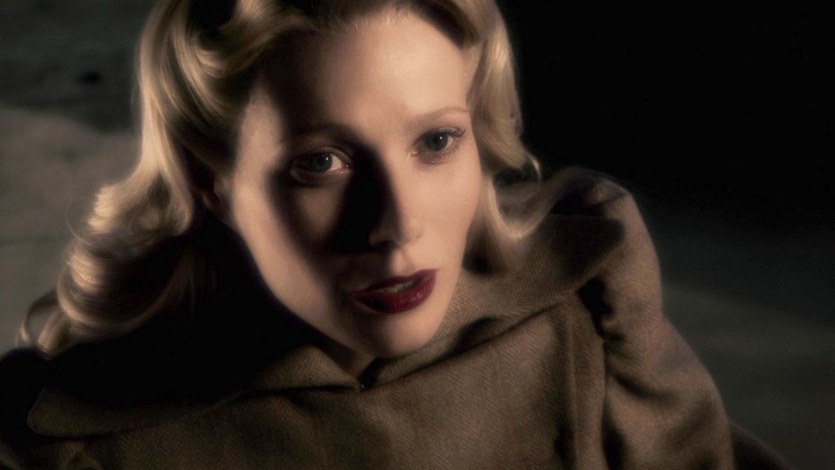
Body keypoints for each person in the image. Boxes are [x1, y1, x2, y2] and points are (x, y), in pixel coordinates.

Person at [0, 0, 791, 468]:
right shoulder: (77, 443)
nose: (397, 224)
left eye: (436, 141)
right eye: (320, 163)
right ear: (214, 184)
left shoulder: (583, 312)